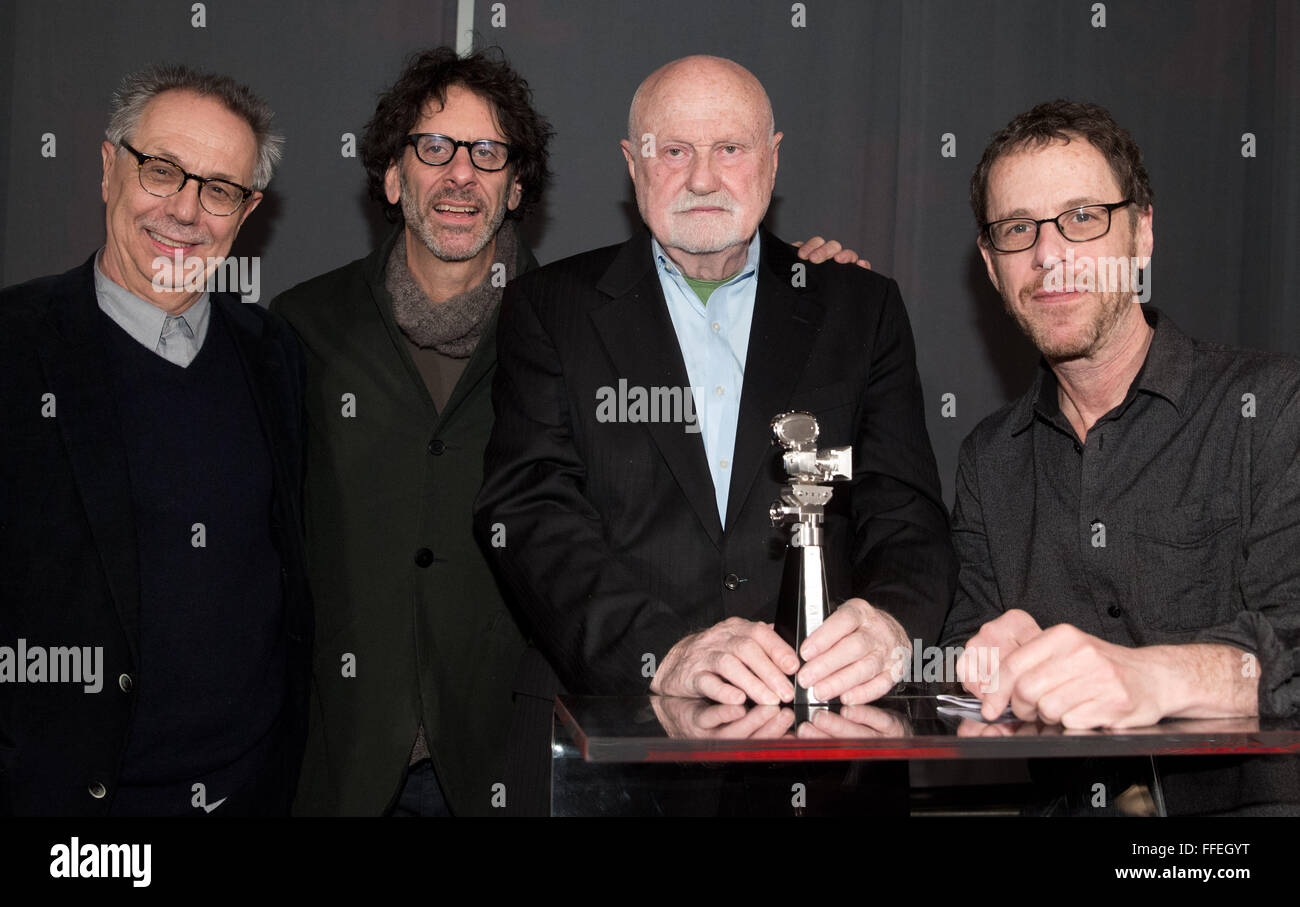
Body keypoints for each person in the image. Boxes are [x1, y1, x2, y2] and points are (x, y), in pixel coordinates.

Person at [271, 47, 865, 817]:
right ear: (392, 176)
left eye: (489, 153)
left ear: (517, 186)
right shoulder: (303, 327)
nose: (461, 175)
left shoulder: (579, 325)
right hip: (345, 758)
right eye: (434, 148)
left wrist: (802, 279)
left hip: (509, 754)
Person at [475, 55, 954, 717]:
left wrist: (893, 625)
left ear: (772, 160)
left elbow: (905, 511)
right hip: (608, 722)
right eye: (673, 151)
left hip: (823, 724)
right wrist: (661, 652)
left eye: (730, 148)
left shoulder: (859, 308)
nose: (702, 178)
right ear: (633, 164)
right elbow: (531, 516)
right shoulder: (549, 309)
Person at [943, 99, 1300, 814]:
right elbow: (956, 656)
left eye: (1081, 217)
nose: (1049, 255)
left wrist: (1154, 677)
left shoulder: (1271, 407)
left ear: (1142, 233)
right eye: (1017, 229)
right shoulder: (988, 459)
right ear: (991, 264)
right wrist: (981, 657)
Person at [0, 64, 310, 816]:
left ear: (248, 211)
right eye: (162, 170)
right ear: (109, 168)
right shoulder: (13, 346)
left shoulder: (275, 354)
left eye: (220, 189)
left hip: (249, 794)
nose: (185, 210)